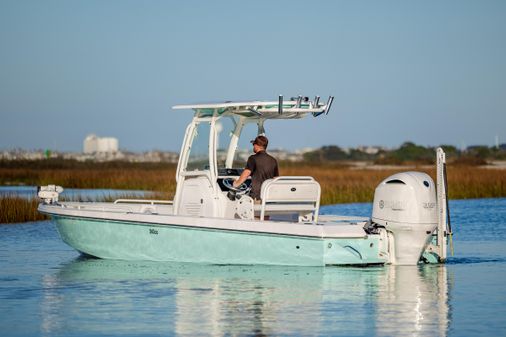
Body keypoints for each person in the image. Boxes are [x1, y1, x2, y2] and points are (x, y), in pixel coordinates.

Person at [233, 135, 279, 200]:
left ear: (256, 145)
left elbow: (246, 173)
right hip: (269, 197)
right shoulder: (273, 160)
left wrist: (236, 184)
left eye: (253, 144)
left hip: (257, 197)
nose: (253, 146)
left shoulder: (253, 158)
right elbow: (275, 179)